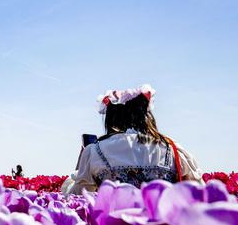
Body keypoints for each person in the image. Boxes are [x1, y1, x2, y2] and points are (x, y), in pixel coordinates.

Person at [66, 84, 200, 195]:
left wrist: (77, 171)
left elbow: (77, 197)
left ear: (111, 117)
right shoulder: (172, 149)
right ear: (146, 114)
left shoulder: (95, 151)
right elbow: (198, 195)